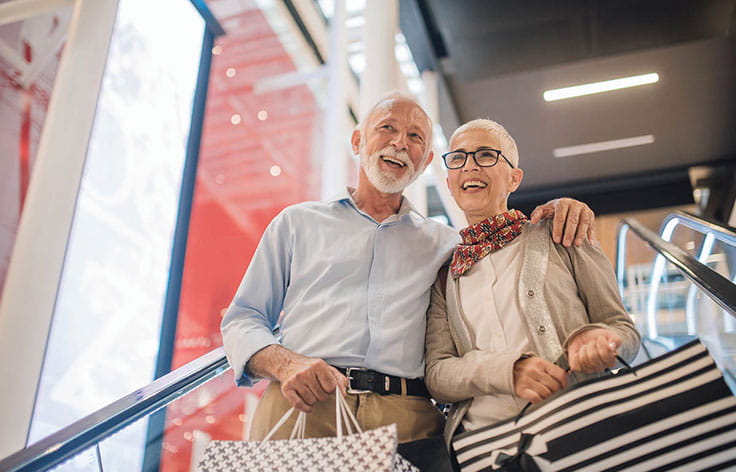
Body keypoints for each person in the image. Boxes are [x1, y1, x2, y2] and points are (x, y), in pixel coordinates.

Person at [221, 93, 596, 443]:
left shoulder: (448, 245)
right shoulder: (296, 223)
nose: (400, 142)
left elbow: (507, 251)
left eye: (416, 137)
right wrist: (286, 364)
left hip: (407, 421)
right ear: (357, 142)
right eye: (387, 128)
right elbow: (243, 318)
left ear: (426, 163)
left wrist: (564, 208)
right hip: (304, 404)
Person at [424, 118, 641, 445]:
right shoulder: (445, 273)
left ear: (514, 178)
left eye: (485, 155)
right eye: (458, 158)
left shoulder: (563, 233)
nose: (469, 166)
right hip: (485, 448)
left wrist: (602, 340)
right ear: (450, 179)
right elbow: (438, 375)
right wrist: (506, 371)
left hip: (576, 432)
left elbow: (622, 329)